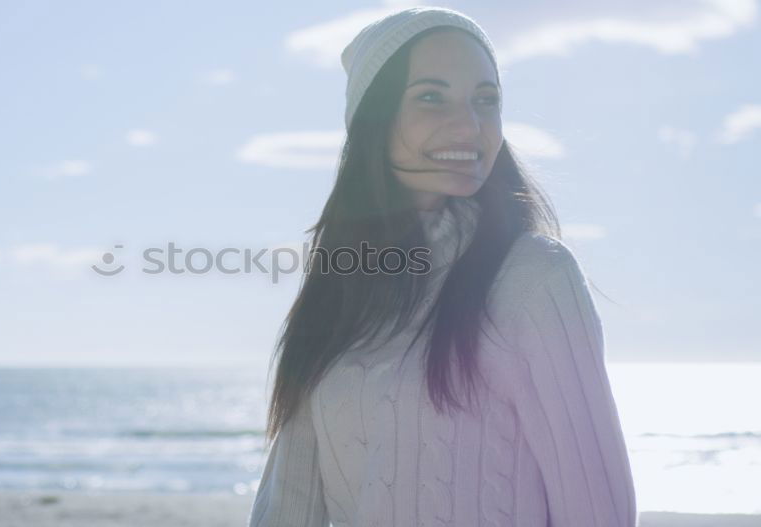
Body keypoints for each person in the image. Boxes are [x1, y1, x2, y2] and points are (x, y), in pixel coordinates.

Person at [247, 6, 637, 527]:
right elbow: (288, 504)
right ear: (374, 121)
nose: (469, 125)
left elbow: (597, 509)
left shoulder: (533, 278)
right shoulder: (340, 289)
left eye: (486, 100)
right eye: (431, 97)